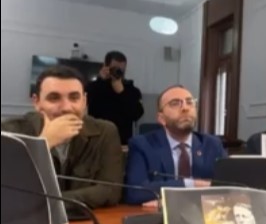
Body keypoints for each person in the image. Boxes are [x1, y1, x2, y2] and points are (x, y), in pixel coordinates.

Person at [1, 66, 123, 208]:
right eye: (54, 98)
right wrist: (44, 143)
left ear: (84, 101)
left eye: (74, 97)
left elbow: (111, 191)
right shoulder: (11, 131)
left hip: (86, 219)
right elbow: (7, 190)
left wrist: (43, 202)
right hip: (26, 219)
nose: (66, 107)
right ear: (37, 102)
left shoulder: (105, 132)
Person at [124, 85, 227, 205]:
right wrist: (191, 184)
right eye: (175, 103)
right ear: (161, 118)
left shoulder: (212, 145)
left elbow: (230, 188)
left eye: (190, 102)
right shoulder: (142, 145)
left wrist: (166, 197)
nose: (185, 108)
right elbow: (135, 191)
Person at [86, 51, 144, 145]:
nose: (118, 72)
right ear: (106, 67)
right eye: (115, 69)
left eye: (121, 70)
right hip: (96, 141)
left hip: (121, 141)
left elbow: (137, 114)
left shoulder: (131, 90)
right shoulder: (94, 87)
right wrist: (100, 81)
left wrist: (122, 93)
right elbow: (84, 107)